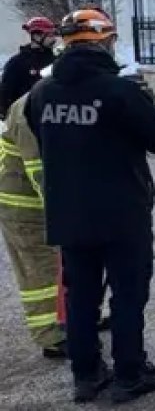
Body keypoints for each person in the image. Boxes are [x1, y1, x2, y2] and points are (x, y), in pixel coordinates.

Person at [25, 9, 155, 404]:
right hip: (121, 210)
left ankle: (86, 374)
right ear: (103, 41)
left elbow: (43, 138)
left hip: (69, 211)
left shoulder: (42, 94)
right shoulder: (118, 91)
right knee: (127, 293)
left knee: (81, 296)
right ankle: (130, 373)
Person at [0, 83, 66, 359]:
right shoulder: (29, 111)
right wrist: (64, 215)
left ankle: (71, 319)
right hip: (23, 207)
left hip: (34, 202)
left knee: (62, 266)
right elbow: (39, 171)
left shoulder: (44, 103)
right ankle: (50, 336)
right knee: (39, 272)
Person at [0, 16, 59, 116]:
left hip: (50, 116)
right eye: (49, 35)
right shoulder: (18, 62)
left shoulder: (56, 60)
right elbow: (5, 91)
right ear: (36, 36)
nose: (54, 39)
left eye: (54, 35)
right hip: (24, 117)